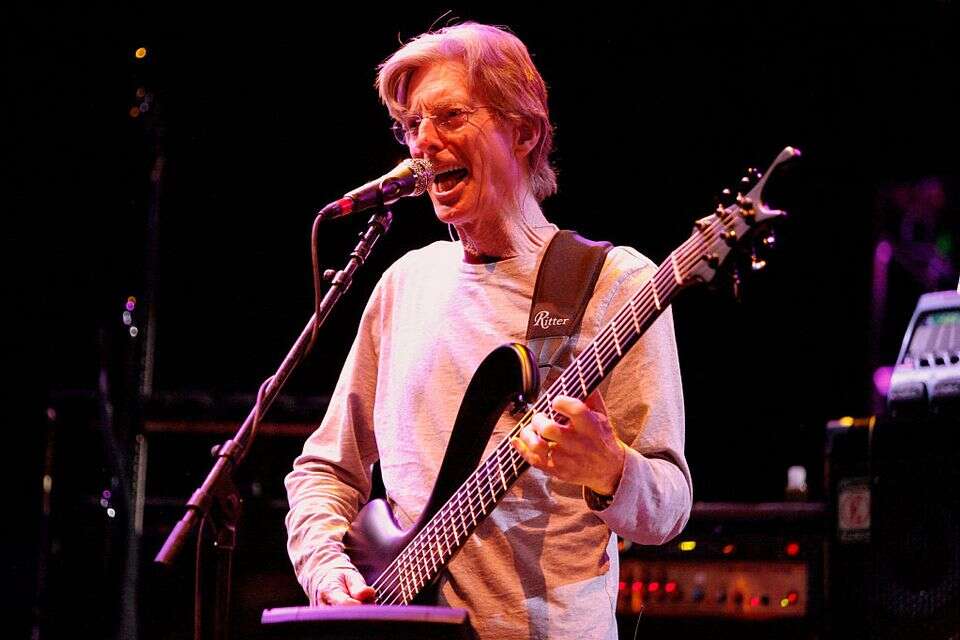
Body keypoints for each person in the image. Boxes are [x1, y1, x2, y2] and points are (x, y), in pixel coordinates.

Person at [285, 22, 692, 640]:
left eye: (450, 116)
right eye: (410, 125)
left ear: (524, 132)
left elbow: (670, 505)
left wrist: (612, 470)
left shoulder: (614, 282)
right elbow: (325, 471)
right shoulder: (404, 284)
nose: (424, 142)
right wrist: (326, 569)